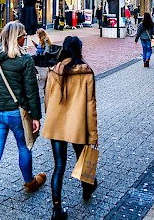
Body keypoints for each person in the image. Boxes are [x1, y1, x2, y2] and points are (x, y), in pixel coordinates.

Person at [0, 21, 46, 217]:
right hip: (16, 112)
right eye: (24, 34)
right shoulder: (24, 59)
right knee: (24, 147)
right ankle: (29, 182)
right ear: (18, 37)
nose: (26, 37)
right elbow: (31, 92)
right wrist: (36, 116)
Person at [42, 36, 98, 219]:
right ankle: (87, 188)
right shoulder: (86, 72)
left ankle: (56, 209)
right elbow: (91, 106)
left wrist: (51, 114)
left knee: (59, 166)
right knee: (83, 159)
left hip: (56, 125)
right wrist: (93, 134)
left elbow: (48, 100)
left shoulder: (54, 71)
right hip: (78, 125)